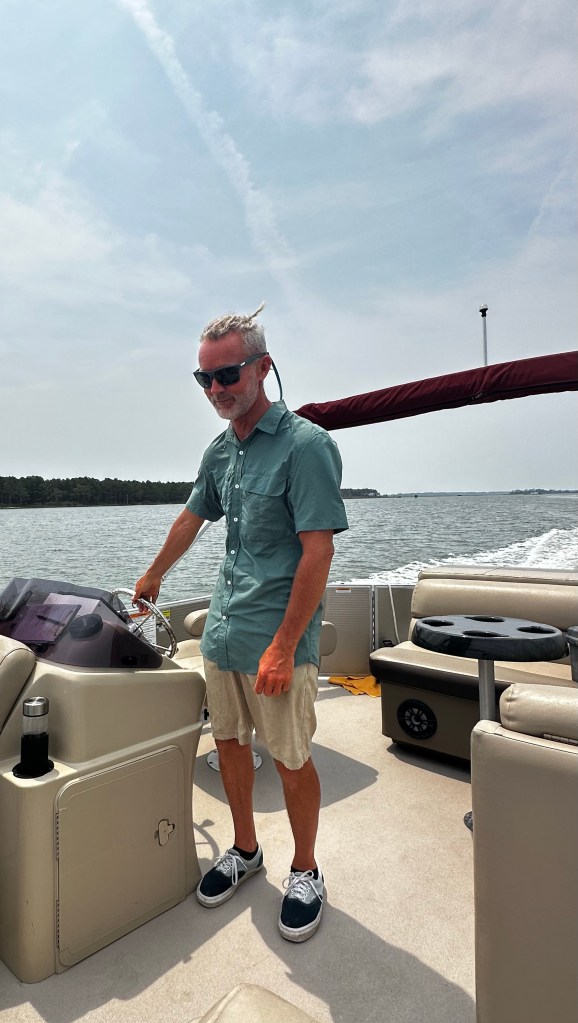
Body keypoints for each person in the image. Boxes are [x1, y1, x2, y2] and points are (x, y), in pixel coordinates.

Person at [134, 305, 348, 942]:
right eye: (204, 378)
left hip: (277, 640)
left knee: (290, 757)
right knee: (228, 743)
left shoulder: (307, 446)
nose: (216, 389)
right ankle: (246, 850)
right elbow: (192, 517)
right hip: (224, 631)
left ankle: (306, 870)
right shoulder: (220, 451)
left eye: (227, 374)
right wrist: (153, 575)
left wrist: (283, 647)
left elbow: (318, 552)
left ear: (262, 367)